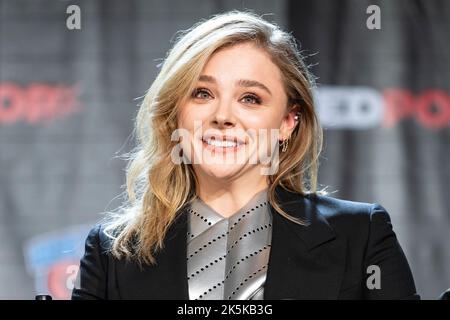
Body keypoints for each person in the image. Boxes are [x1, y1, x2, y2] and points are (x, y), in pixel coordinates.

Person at [71, 10, 419, 300]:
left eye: (250, 98)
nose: (222, 116)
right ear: (176, 112)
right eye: (202, 93)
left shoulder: (360, 236)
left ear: (287, 121)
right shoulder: (112, 252)